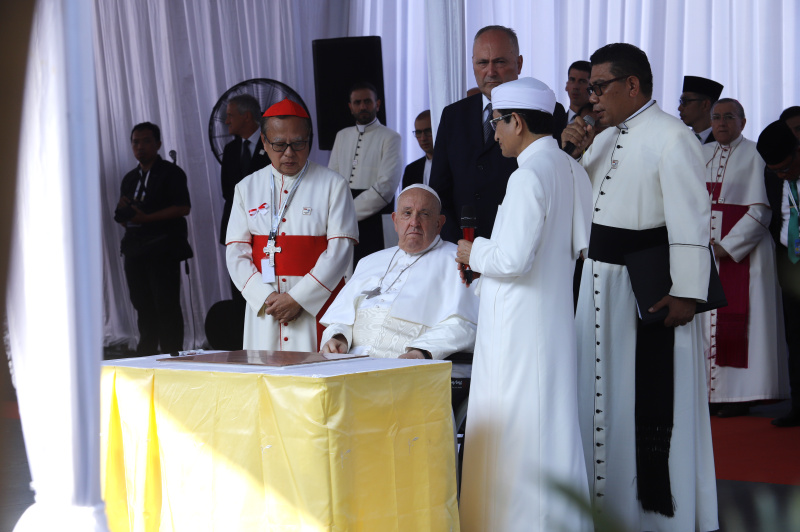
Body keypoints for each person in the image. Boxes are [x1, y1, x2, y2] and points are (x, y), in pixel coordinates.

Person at [561, 43, 718, 531]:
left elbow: (694, 220)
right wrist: (571, 157)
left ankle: (655, 519)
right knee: (598, 399)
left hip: (646, 291)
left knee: (644, 404)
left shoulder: (674, 138)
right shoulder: (601, 139)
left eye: (599, 88)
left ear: (632, 85)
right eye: (589, 90)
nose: (591, 100)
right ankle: (605, 511)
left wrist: (688, 294)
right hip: (597, 287)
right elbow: (578, 213)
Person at [455, 77, 592, 532]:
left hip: (517, 324)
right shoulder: (570, 167)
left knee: (514, 425)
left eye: (497, 123)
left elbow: (512, 259)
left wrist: (472, 252)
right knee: (550, 421)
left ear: (517, 121)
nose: (494, 134)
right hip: (552, 315)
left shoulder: (528, 174)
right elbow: (580, 242)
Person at [226, 98, 358, 351]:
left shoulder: (334, 185)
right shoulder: (246, 188)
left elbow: (340, 251)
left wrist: (299, 299)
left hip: (316, 305)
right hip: (267, 307)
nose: (289, 153)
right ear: (264, 142)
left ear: (308, 140)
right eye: (279, 144)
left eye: (298, 144)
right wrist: (266, 297)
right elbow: (236, 253)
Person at [430, 25, 568, 244]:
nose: (491, 71)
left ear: (519, 63)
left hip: (522, 247)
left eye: (500, 62)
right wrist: (458, 244)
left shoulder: (548, 111)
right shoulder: (453, 115)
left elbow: (554, 183)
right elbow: (439, 191)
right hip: (460, 249)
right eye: (482, 63)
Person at [319, 185, 479, 359]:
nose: (414, 222)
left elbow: (465, 324)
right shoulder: (368, 262)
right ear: (395, 220)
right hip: (349, 362)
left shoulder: (459, 261)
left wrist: (421, 352)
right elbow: (341, 316)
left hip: (407, 367)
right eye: (407, 213)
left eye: (424, 214)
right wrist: (339, 338)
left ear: (439, 223)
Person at [701, 99, 788, 417]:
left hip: (744, 256)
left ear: (743, 121)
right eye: (716, 117)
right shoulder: (701, 154)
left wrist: (728, 245)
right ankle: (711, 394)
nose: (721, 123)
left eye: (729, 117)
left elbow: (763, 208)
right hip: (706, 253)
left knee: (740, 323)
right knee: (706, 324)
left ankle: (740, 395)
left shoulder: (756, 155)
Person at [115, 122, 192, 356]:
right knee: (141, 304)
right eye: (135, 142)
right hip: (135, 249)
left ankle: (172, 352)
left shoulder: (171, 173)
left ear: (158, 144)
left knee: (166, 304)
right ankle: (146, 353)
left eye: (146, 141)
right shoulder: (130, 178)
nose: (140, 147)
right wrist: (128, 215)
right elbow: (121, 214)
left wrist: (147, 218)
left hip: (163, 248)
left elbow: (183, 207)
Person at [328, 81, 402, 264]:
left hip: (375, 219)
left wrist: (346, 211)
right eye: (357, 102)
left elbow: (386, 186)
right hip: (344, 219)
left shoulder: (391, 137)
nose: (363, 106)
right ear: (350, 107)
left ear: (377, 104)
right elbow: (331, 179)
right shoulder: (342, 135)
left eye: (367, 101)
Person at [757, 119, 800, 427]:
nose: (783, 176)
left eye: (787, 168)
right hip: (790, 261)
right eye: (776, 171)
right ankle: (799, 406)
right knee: (795, 339)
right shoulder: (772, 175)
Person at [219, 94, 271, 246]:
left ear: (247, 116)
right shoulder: (230, 150)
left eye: (230, 116)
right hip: (238, 229)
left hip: (267, 226)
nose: (227, 121)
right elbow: (226, 191)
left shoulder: (272, 145)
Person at [678, 75, 724, 144]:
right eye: (680, 102)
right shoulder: (679, 140)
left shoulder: (724, 143)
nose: (679, 108)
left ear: (705, 105)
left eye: (685, 102)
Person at [401, 110, 434, 188]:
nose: (423, 138)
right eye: (418, 132)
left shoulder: (453, 165)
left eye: (428, 131)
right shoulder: (411, 170)